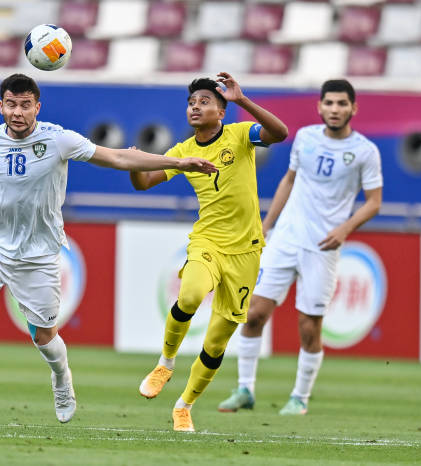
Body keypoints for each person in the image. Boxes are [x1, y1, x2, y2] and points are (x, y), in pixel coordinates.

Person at [0, 73, 216, 426]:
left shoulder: (58, 140)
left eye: (24, 105)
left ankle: (61, 376)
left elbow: (118, 158)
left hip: (40, 253)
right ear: (1, 106)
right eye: (11, 104)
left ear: (37, 107)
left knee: (44, 336)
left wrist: (177, 162)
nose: (17, 112)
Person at [130, 72, 288, 432]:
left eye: (204, 102)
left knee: (217, 341)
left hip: (247, 252)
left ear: (221, 111)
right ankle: (165, 363)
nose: (195, 107)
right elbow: (145, 183)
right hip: (208, 242)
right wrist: (137, 166)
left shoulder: (239, 134)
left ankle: (184, 406)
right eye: (191, 103)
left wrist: (243, 100)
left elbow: (279, 133)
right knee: (190, 295)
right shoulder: (182, 151)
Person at [218, 79, 382, 416]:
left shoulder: (365, 151)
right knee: (253, 315)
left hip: (322, 245)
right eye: (330, 103)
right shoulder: (305, 138)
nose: (335, 109)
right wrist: (266, 225)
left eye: (342, 104)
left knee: (309, 326)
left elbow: (373, 202)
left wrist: (345, 228)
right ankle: (244, 390)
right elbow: (289, 181)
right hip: (286, 238)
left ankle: (299, 398)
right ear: (320, 107)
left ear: (353, 108)